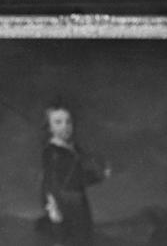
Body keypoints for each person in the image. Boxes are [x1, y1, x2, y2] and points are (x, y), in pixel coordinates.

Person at [39, 104, 109, 245]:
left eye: (68, 122)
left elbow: (79, 178)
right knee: (66, 239)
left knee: (83, 238)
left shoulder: (73, 149)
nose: (65, 126)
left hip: (79, 202)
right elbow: (48, 180)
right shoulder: (52, 151)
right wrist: (52, 206)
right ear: (49, 127)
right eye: (58, 122)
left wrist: (99, 176)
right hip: (63, 202)